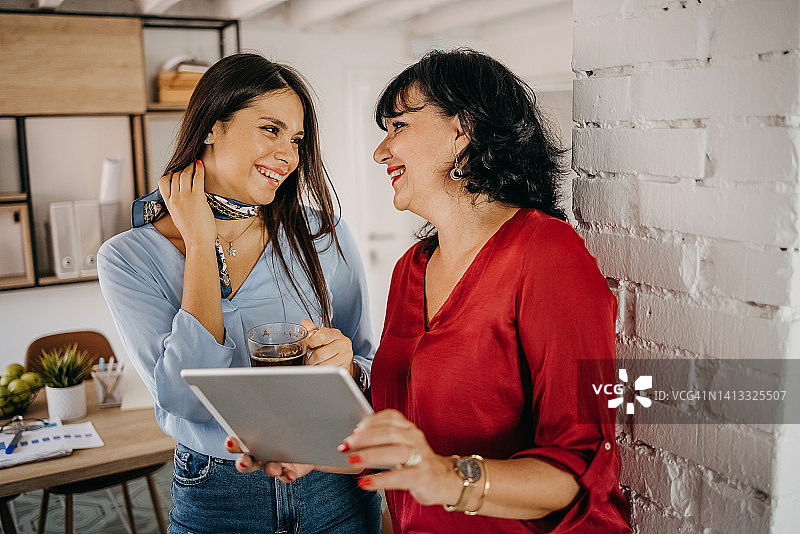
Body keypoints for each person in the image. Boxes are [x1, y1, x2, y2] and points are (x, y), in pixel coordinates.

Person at [230, 48, 631, 533]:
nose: (381, 151)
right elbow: (401, 452)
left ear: (462, 130)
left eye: (398, 126)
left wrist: (447, 476)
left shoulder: (546, 253)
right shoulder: (411, 270)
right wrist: (310, 449)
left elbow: (580, 470)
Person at [97, 53, 381, 534]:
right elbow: (186, 400)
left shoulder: (321, 233)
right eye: (271, 130)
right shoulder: (128, 258)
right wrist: (201, 241)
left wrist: (347, 364)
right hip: (219, 492)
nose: (290, 156)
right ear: (212, 125)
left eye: (296, 140)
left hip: (332, 481)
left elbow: (372, 367)